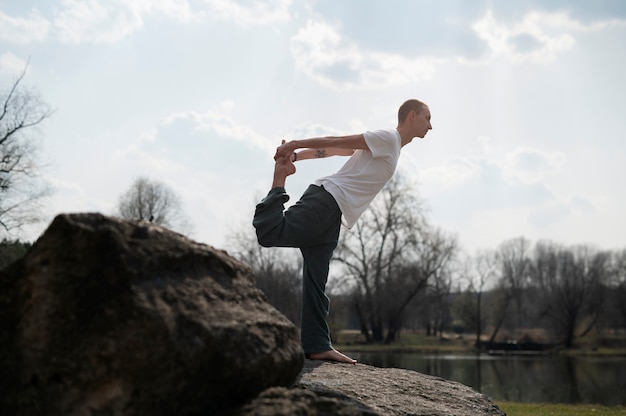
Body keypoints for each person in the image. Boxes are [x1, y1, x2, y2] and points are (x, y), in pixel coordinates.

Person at [253, 99, 432, 364]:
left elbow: (337, 149)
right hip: (326, 201)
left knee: (316, 283)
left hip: (333, 214)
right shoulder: (388, 138)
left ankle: (317, 345)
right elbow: (338, 139)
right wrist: (296, 144)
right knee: (270, 233)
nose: (431, 126)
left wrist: (298, 157)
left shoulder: (389, 147)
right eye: (428, 118)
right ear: (412, 116)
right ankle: (278, 180)